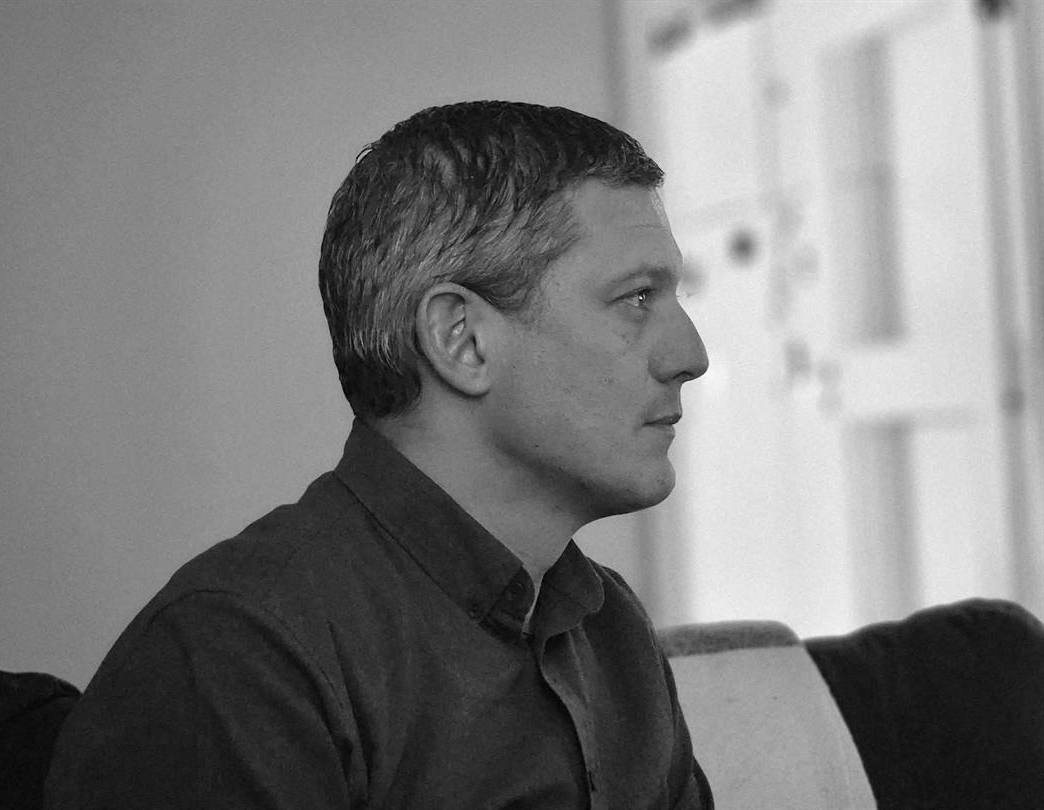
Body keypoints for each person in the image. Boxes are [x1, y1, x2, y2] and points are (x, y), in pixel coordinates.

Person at [44, 101, 713, 809]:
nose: (691, 356)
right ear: (462, 340)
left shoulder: (611, 629)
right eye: (637, 297)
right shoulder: (241, 653)